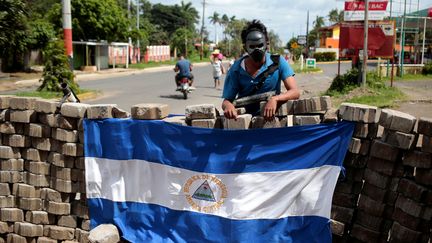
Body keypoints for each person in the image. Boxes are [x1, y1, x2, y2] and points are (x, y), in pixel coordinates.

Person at [221, 19, 300, 120]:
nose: (256, 50)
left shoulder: (278, 62)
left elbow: (295, 92)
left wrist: (275, 99)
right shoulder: (236, 69)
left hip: (271, 120)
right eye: (252, 46)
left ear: (266, 44)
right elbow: (226, 101)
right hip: (246, 122)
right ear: (245, 47)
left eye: (260, 45)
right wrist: (228, 106)